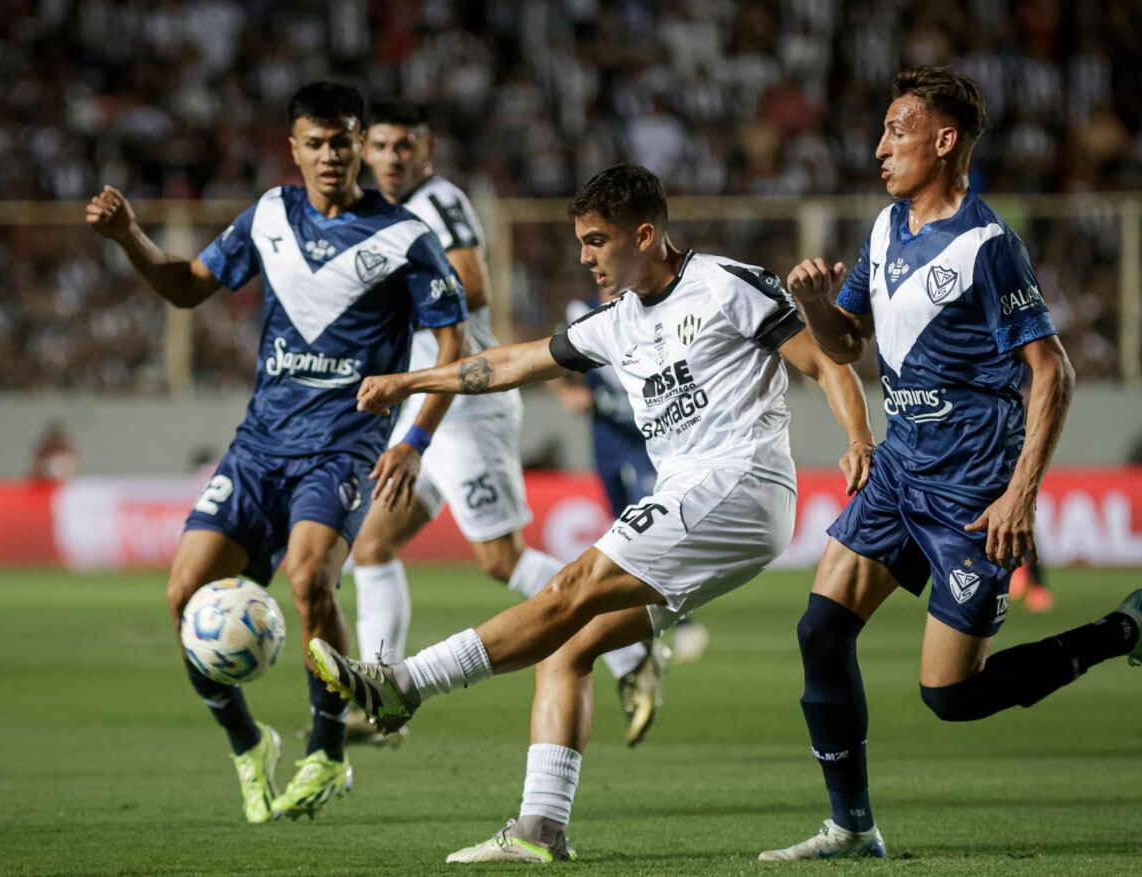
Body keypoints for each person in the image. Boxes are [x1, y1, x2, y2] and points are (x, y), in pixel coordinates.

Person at [311, 164, 876, 862]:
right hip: (698, 495)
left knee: (568, 587)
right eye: (581, 242)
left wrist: (858, 438)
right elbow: (513, 362)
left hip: (740, 480)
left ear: (645, 235)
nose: (585, 257)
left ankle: (403, 683)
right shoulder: (616, 324)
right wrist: (412, 379)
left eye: (597, 240)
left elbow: (827, 360)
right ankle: (540, 828)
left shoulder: (726, 284)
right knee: (570, 642)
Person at [763, 67, 1142, 862]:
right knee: (820, 630)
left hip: (971, 489)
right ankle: (852, 826)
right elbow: (847, 346)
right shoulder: (885, 228)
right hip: (900, 470)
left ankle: (1126, 628)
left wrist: (1019, 496)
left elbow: (1052, 370)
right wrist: (823, 305)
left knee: (952, 697)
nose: (879, 147)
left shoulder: (988, 244)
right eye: (883, 130)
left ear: (945, 139)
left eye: (898, 130)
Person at [85, 82, 470, 824]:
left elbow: (456, 344)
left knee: (309, 580)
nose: (331, 156)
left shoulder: (404, 237)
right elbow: (189, 287)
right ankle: (248, 743)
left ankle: (327, 752)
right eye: (315, 143)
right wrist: (130, 236)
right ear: (293, 149)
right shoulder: (269, 215)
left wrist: (415, 439)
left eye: (343, 141)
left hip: (342, 445)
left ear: (361, 145)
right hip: (259, 447)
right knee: (181, 597)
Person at [348, 99, 663, 749]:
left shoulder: (439, 202)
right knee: (372, 544)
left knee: (502, 559)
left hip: (464, 410)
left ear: (426, 149)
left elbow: (473, 288)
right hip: (428, 403)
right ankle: (377, 694)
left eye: (403, 145)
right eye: (379, 146)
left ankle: (632, 647)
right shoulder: (383, 210)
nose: (391, 158)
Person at [560, 293, 710, 666]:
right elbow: (553, 365)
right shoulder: (583, 314)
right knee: (623, 533)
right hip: (605, 442)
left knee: (648, 538)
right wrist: (567, 392)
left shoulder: (650, 312)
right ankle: (642, 626)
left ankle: (682, 620)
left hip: (645, 444)